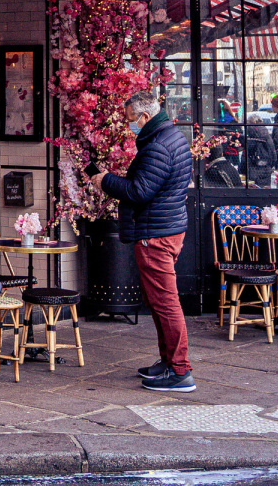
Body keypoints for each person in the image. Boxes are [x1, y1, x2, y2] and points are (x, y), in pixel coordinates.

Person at [92, 90, 193, 393]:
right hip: (167, 228)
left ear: (145, 117)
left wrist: (105, 180)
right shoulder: (170, 136)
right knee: (161, 302)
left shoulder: (158, 146)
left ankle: (180, 370)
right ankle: (168, 362)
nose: (129, 127)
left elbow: (139, 192)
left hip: (156, 234)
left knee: (165, 303)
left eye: (131, 121)